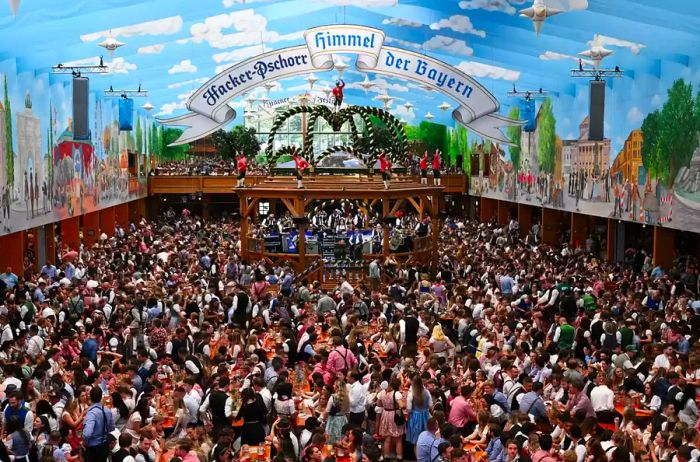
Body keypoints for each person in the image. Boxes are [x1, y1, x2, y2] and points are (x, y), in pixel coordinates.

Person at [83, 386, 116, 462]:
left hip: (94, 448)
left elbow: (87, 434)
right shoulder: (107, 410)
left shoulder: (92, 413)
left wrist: (85, 440)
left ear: (90, 397)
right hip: (105, 445)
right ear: (101, 397)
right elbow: (112, 428)